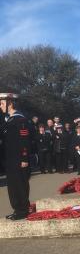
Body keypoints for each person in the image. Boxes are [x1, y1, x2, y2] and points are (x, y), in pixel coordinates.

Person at [0, 92, 31, 220]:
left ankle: (23, 209)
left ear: (10, 103)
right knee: (12, 185)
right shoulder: (9, 120)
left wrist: (24, 158)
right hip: (11, 159)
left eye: (1, 103)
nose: (0, 106)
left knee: (20, 184)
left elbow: (24, 140)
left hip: (19, 159)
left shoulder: (20, 119)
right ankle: (17, 209)